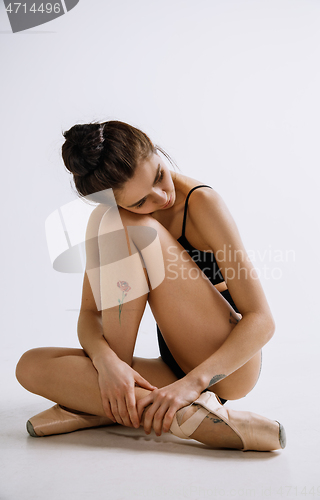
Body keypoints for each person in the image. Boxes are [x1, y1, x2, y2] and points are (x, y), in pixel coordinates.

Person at [16, 120, 286, 451]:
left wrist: (194, 383)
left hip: (226, 367)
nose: (162, 196)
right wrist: (106, 363)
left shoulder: (201, 203)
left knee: (131, 229)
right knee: (30, 366)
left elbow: (262, 320)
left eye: (159, 175)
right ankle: (184, 418)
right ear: (109, 201)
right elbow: (90, 315)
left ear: (155, 149)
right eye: (140, 202)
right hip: (170, 368)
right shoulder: (105, 219)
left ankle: (100, 405)